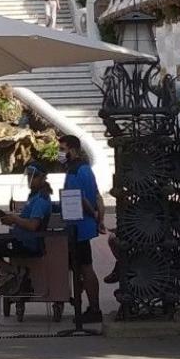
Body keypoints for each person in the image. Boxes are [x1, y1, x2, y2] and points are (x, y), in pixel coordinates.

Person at [0, 164, 54, 296]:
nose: (29, 179)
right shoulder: (33, 197)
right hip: (19, 238)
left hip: (27, 243)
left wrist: (15, 219)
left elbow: (33, 225)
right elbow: (25, 221)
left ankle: (15, 273)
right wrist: (11, 221)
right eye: (28, 176)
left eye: (33, 176)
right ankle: (9, 275)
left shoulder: (41, 200)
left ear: (42, 178)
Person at [58, 134, 104, 323]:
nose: (60, 153)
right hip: (86, 225)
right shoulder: (86, 169)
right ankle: (83, 303)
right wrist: (98, 219)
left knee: (84, 268)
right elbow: (98, 197)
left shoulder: (74, 171)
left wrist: (92, 213)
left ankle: (93, 308)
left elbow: (79, 197)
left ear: (73, 149)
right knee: (82, 267)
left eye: (62, 149)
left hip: (78, 226)